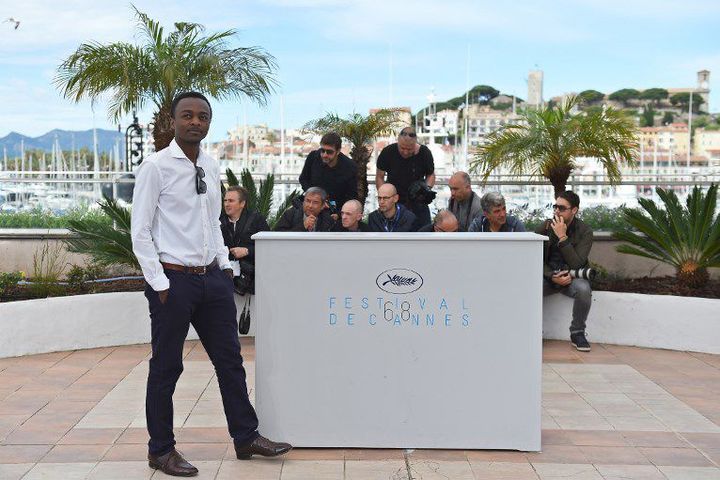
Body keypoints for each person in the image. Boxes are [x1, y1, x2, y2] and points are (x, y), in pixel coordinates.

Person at [131, 91, 291, 477]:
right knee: (166, 368)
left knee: (231, 362)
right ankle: (161, 450)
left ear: (208, 122)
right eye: (187, 115)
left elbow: (214, 224)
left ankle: (246, 436)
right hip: (174, 281)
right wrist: (159, 282)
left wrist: (224, 268)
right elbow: (140, 231)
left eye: (202, 116)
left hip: (212, 281)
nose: (195, 122)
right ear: (173, 121)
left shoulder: (210, 164)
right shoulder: (156, 167)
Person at [535, 190, 594, 352]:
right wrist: (551, 276)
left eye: (561, 208)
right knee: (529, 289)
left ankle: (577, 332)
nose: (556, 211)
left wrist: (562, 238)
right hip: (549, 277)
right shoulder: (546, 226)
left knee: (583, 289)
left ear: (574, 210)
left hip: (572, 277)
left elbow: (577, 263)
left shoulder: (585, 231)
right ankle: (532, 332)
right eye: (555, 207)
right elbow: (534, 257)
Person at [375, 127, 435, 229]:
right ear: (398, 142)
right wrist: (384, 197)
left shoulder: (424, 152)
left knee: (423, 234)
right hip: (394, 201)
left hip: (418, 200)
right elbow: (379, 176)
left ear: (415, 144)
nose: (406, 152)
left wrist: (427, 188)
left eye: (409, 149)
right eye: (402, 148)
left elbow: (431, 174)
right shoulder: (388, 152)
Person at [299, 132, 358, 215]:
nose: (324, 155)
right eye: (322, 150)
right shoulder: (313, 157)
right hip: (312, 205)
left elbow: (351, 196)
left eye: (329, 152)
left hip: (335, 209)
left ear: (338, 151)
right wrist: (315, 197)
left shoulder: (350, 167)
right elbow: (303, 179)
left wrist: (338, 214)